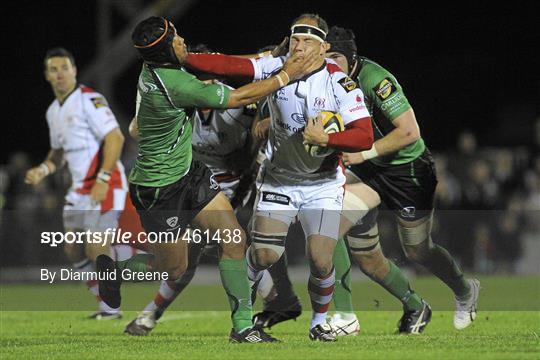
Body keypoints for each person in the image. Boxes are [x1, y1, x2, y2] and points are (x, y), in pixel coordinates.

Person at [96, 16, 317, 343]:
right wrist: (287, 73)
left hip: (189, 173)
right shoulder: (178, 85)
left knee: (233, 239)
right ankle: (120, 271)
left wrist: (272, 58)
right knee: (174, 268)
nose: (183, 40)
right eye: (177, 38)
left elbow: (221, 65)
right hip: (160, 189)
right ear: (166, 50)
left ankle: (242, 327)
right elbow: (238, 98)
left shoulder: (159, 66)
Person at [184, 13, 374, 341]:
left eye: (308, 41)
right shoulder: (277, 66)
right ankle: (242, 323)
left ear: (324, 47)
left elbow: (364, 136)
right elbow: (227, 66)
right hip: (279, 179)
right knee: (262, 256)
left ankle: (319, 323)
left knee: (320, 260)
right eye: (295, 39)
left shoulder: (339, 82)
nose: (299, 47)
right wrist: (181, 57)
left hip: (323, 184)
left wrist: (328, 140)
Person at [328, 26, 480, 330]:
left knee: (417, 250)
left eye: (335, 57)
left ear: (351, 57)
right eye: (325, 57)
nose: (329, 63)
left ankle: (465, 290)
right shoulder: (326, 81)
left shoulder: (375, 79)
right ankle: (350, 316)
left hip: (408, 172)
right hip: (368, 173)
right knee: (331, 226)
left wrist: (364, 153)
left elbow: (410, 132)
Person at [124, 45, 260, 336]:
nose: (205, 82)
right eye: (199, 76)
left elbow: (262, 113)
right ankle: (125, 277)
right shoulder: (176, 98)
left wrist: (255, 145)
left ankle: (245, 325)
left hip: (223, 185)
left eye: (210, 75)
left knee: (238, 243)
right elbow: (135, 129)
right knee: (179, 265)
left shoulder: (237, 107)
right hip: (175, 186)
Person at [25, 47, 127, 320]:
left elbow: (115, 138)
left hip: (105, 182)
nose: (60, 74)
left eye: (64, 68)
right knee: (72, 248)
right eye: (53, 69)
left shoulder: (89, 99)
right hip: (79, 189)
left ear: (74, 70)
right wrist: (43, 169)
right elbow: (58, 153)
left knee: (97, 247)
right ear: (47, 75)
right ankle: (105, 302)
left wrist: (103, 178)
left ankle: (111, 307)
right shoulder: (52, 112)